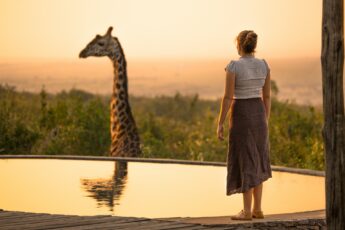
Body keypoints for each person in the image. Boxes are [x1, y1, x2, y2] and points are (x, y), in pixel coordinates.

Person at [217, 30, 272, 221]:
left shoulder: (234, 66)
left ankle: (247, 211)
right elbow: (267, 96)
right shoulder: (264, 65)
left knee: (245, 160)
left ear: (239, 45)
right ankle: (258, 209)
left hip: (241, 113)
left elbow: (228, 97)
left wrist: (220, 123)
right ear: (253, 46)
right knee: (258, 158)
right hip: (259, 113)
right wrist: (265, 119)